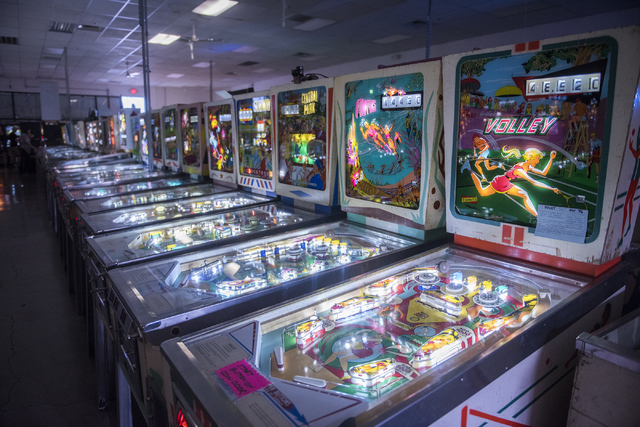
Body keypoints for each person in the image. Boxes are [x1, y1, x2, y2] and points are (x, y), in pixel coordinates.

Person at [463, 147, 559, 217]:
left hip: (506, 183)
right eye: (537, 158)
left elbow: (543, 173)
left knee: (524, 195)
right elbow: (533, 182)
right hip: (500, 182)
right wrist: (551, 188)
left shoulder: (528, 166)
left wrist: (551, 159)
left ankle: (537, 216)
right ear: (530, 157)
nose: (538, 161)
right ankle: (469, 169)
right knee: (482, 192)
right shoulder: (520, 170)